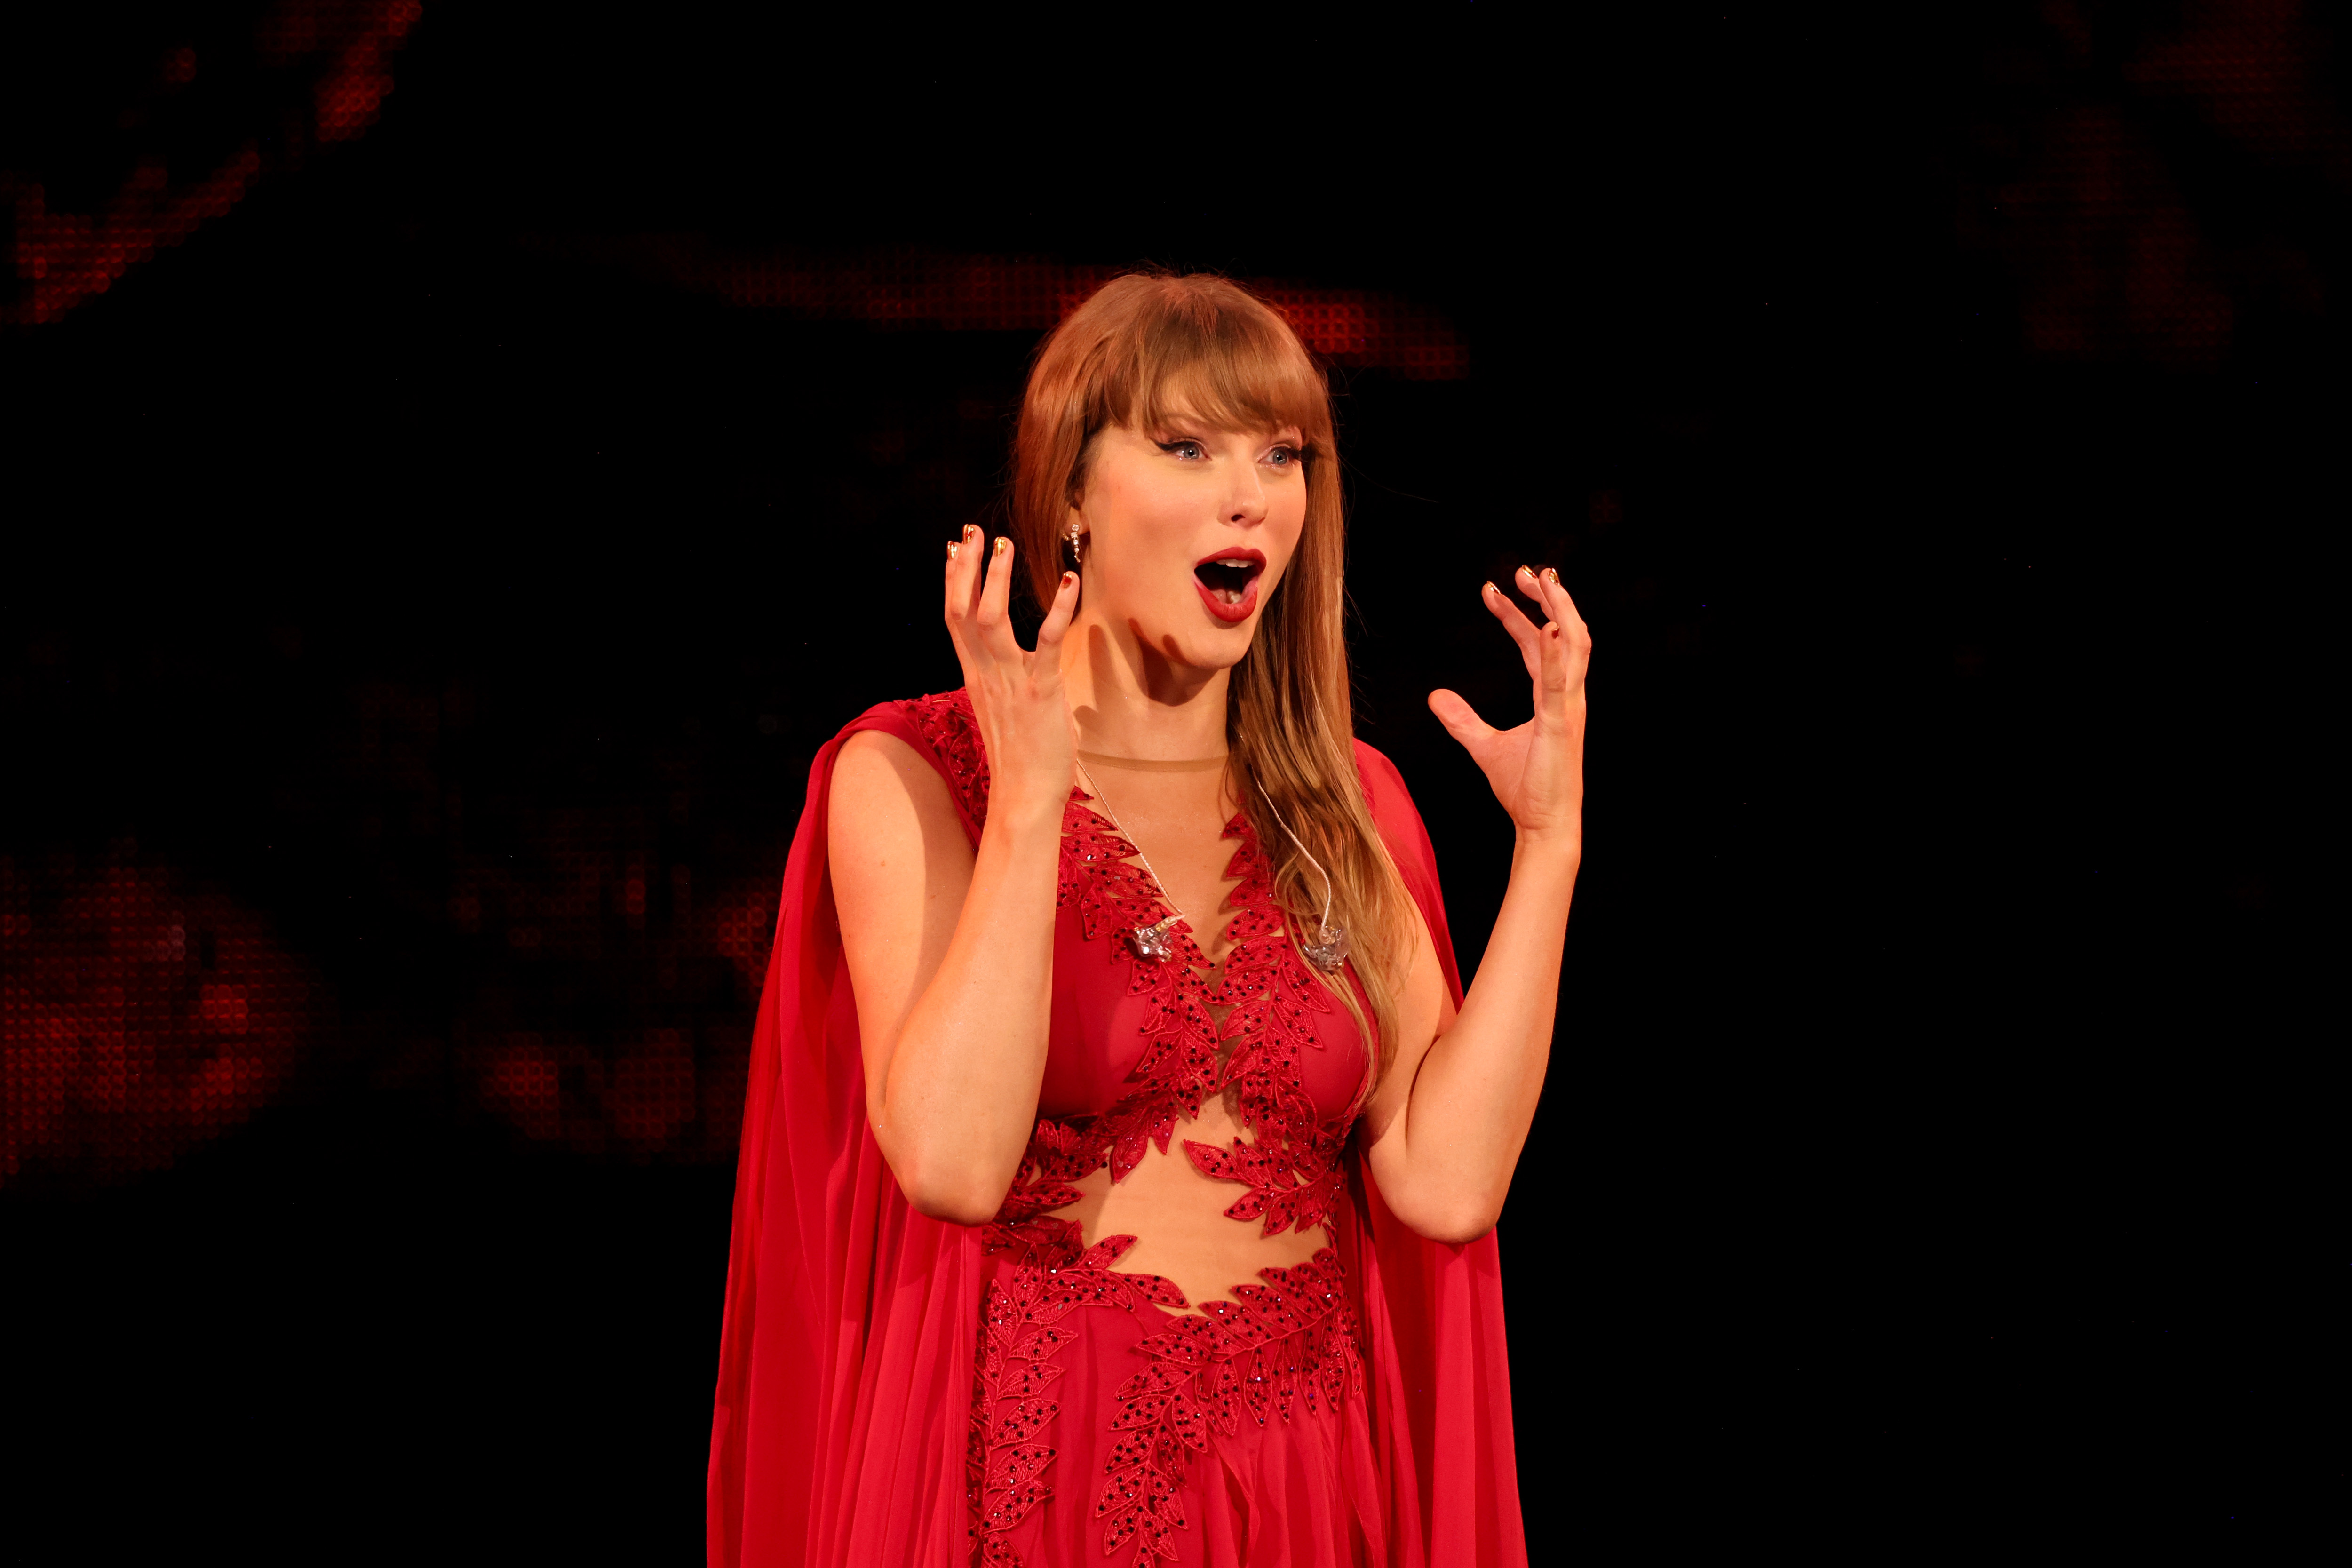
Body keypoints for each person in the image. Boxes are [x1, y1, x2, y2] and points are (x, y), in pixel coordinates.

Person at [707, 272, 1588, 1567]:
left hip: (1310, 1485)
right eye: (1187, 447)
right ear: (1072, 487)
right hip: (1048, 1478)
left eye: (1280, 454)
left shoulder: (1345, 802)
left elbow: (1448, 1185)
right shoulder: (909, 775)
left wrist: (1550, 847)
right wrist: (1030, 807)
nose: (1250, 495)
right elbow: (951, 1160)